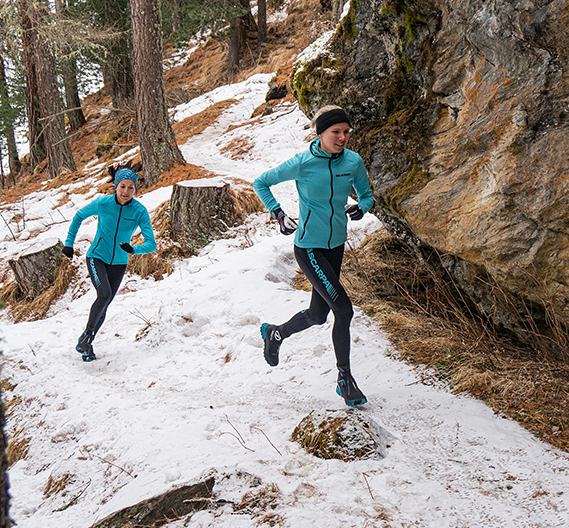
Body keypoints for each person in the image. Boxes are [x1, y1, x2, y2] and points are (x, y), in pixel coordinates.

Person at [253, 105, 374, 407]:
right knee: (343, 310)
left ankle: (276, 334)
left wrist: (363, 206)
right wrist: (279, 214)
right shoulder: (303, 163)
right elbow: (261, 182)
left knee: (319, 316)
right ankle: (344, 379)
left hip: (335, 247)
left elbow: (366, 194)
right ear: (320, 133)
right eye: (336, 132)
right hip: (309, 248)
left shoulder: (353, 161)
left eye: (346, 132)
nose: (342, 137)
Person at [61, 164, 156, 362]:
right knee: (104, 294)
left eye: (131, 187)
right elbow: (79, 216)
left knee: (105, 303)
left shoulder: (139, 211)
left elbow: (151, 244)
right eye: (122, 186)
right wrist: (69, 244)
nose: (126, 191)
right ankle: (86, 337)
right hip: (97, 257)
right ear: (115, 186)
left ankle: (87, 345)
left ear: (135, 189)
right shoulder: (103, 204)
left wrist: (133, 249)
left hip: (119, 263)